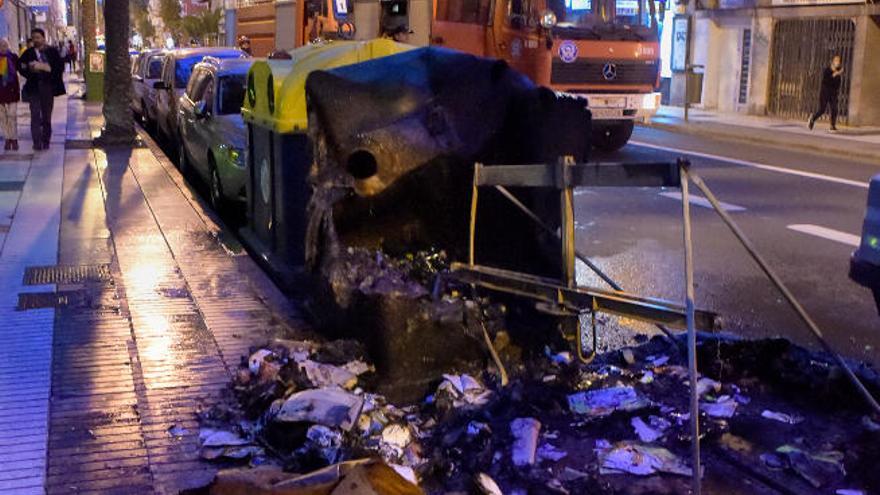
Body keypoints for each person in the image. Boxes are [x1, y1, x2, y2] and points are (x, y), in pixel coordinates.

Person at [18, 28, 65, 151]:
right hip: (34, 88)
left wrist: (46, 68)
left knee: (46, 116)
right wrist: (29, 70)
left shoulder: (52, 52)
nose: (36, 40)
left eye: (38, 37)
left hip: (47, 88)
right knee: (35, 115)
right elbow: (20, 66)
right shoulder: (28, 53)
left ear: (43, 38)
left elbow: (59, 67)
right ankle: (37, 142)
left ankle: (46, 140)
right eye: (34, 38)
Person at [808, 55, 844, 132]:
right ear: (832, 62)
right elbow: (826, 81)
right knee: (822, 110)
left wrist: (837, 90)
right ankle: (813, 118)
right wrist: (835, 74)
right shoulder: (827, 70)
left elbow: (837, 84)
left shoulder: (838, 73)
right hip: (825, 92)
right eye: (836, 60)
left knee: (834, 109)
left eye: (839, 61)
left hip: (833, 93)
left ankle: (832, 125)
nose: (837, 62)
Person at [0, 38, 20, 151]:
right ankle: (7, 139)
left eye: (5, 45)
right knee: (2, 118)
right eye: (1, 45)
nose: (3, 47)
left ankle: (14, 138)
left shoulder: (13, 57)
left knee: (12, 116)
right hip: (1, 92)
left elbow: (21, 68)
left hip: (12, 91)